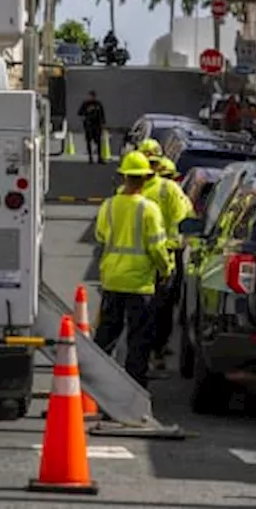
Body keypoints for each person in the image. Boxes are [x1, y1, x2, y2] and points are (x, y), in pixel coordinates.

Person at [94, 151, 172, 388]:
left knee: (107, 334)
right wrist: (166, 269)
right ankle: (133, 387)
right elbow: (157, 248)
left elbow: (100, 235)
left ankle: (95, 383)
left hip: (112, 279)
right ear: (146, 178)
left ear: (124, 177)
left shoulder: (108, 206)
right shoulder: (149, 210)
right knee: (139, 339)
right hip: (140, 284)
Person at [149, 156, 194, 373]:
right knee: (165, 306)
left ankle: (148, 350)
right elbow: (186, 219)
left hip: (147, 254)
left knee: (148, 305)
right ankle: (158, 350)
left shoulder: (148, 190)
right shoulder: (176, 193)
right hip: (170, 253)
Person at [77, 90, 107, 163]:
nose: (91, 98)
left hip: (97, 125)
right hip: (89, 125)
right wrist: (85, 117)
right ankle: (90, 158)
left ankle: (99, 157)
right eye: (90, 96)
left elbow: (102, 114)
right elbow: (79, 113)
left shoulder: (98, 104)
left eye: (93, 96)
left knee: (98, 142)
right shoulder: (85, 104)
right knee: (89, 141)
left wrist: (103, 122)